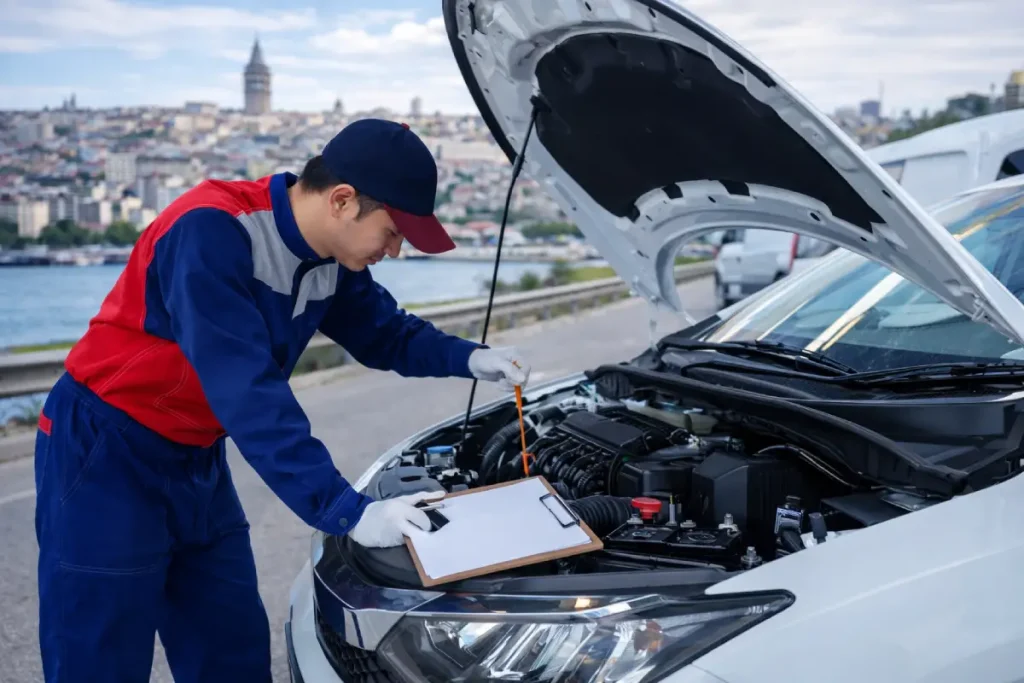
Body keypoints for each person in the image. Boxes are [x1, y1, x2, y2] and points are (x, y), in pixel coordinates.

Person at [32, 118, 531, 683]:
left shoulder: (331, 258)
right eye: (393, 232)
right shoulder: (212, 230)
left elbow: (386, 333)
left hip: (195, 456)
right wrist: (348, 510)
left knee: (232, 647)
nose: (396, 250)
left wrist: (470, 357)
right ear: (343, 200)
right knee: (98, 656)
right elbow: (247, 392)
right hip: (106, 449)